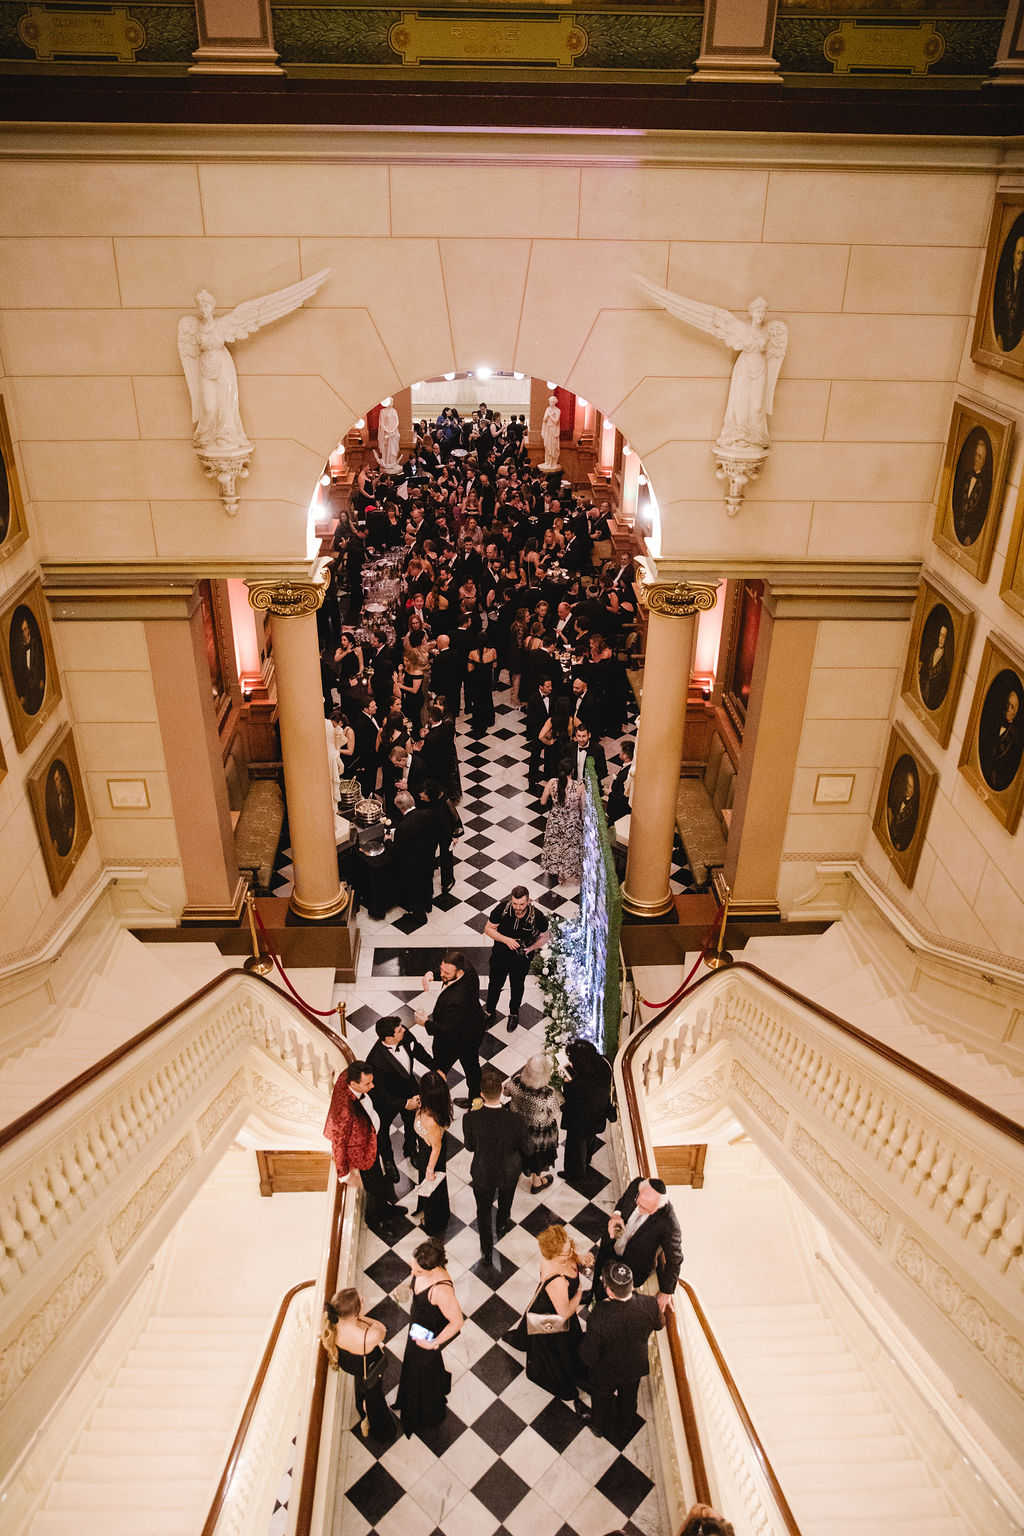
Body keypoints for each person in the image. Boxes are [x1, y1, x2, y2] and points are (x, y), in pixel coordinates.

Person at [581, 1260, 664, 1442]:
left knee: (602, 1398)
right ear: (632, 1284)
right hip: (635, 1364)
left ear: (609, 1290)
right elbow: (659, 1325)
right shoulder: (650, 1304)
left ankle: (598, 1426)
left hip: (607, 1371)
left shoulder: (600, 1314)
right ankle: (625, 1425)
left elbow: (589, 1356)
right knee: (629, 1396)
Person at [395, 1237, 464, 1438]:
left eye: (417, 1272)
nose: (412, 1273)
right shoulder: (422, 1270)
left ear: (432, 1269)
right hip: (417, 1325)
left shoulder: (441, 1290)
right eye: (412, 1268)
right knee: (413, 1364)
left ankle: (427, 1411)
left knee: (423, 1370)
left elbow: (457, 1322)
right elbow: (414, 1279)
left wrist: (433, 1343)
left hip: (428, 1333)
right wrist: (408, 1286)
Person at [323, 1060, 397, 1240]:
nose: (372, 1086)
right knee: (374, 1187)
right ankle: (375, 1221)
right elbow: (338, 1143)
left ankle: (385, 1208)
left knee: (380, 1179)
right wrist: (344, 1174)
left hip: (369, 1137)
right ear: (354, 1084)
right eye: (368, 1083)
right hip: (361, 1151)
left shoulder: (346, 1075)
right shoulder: (344, 1110)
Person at [462, 1064, 529, 1262]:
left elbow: (470, 1147)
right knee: (505, 1201)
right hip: (508, 1171)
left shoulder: (470, 1118)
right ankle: (501, 1225)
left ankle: (487, 1250)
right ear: (502, 1091)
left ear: (481, 1094)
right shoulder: (516, 1120)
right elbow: (528, 1149)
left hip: (483, 1172)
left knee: (483, 1211)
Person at [524, 1225, 592, 1417]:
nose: (571, 1250)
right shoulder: (557, 1280)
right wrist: (578, 1294)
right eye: (566, 1251)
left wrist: (580, 1259)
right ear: (554, 1255)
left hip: (562, 1307)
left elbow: (572, 1258)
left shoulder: (563, 1254)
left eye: (569, 1245)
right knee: (563, 1354)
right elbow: (564, 1313)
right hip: (554, 1318)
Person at [592, 1176, 683, 1312]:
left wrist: (666, 1290)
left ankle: (603, 1315)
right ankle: (592, 1296)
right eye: (638, 1203)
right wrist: (616, 1215)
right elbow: (623, 1201)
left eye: (646, 1209)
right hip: (611, 1248)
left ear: (658, 1207)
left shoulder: (669, 1223)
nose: (639, 1210)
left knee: (615, 1302)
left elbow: (675, 1259)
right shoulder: (637, 1184)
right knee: (599, 1275)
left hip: (632, 1265)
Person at [320, 1287, 396, 1442]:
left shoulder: (333, 1324)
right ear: (354, 1312)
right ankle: (379, 1428)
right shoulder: (368, 1336)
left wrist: (355, 1317)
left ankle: (361, 1408)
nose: (364, 1300)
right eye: (361, 1300)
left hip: (350, 1364)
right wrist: (360, 1318)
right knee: (374, 1397)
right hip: (369, 1366)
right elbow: (381, 1328)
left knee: (361, 1384)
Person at [417, 949, 485, 1104]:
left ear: (459, 973)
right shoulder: (467, 968)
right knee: (472, 1068)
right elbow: (446, 969)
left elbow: (446, 1029)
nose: (443, 974)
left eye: (446, 972)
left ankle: (438, 1102)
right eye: (441, 969)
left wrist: (425, 1023)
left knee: (440, 1071)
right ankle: (475, 1097)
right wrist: (432, 973)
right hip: (472, 1028)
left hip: (458, 1039)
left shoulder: (457, 999)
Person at [367, 1016, 430, 1181]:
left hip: (409, 1089)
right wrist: (404, 1104)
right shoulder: (375, 1060)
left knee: (411, 1122)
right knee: (382, 1131)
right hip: (387, 1101)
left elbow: (418, 1051)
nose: (404, 1030)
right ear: (389, 1038)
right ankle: (388, 1160)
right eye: (399, 1030)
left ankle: (410, 1149)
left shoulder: (405, 1035)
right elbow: (379, 1092)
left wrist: (436, 1068)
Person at [484, 886, 549, 1031]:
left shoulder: (537, 916)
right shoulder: (503, 909)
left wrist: (531, 948)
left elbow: (545, 936)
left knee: (517, 986)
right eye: (515, 903)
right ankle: (489, 1011)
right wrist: (506, 940)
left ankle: (513, 1014)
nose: (518, 908)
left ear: (528, 902)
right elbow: (488, 929)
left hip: (521, 959)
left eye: (521, 904)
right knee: (494, 983)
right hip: (500, 954)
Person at [561, 1037, 613, 1183]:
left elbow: (572, 1098)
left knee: (576, 1148)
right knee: (590, 1140)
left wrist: (567, 1085)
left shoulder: (581, 1083)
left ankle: (576, 1174)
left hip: (580, 1121)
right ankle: (587, 1160)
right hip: (597, 1115)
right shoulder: (604, 1063)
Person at [505, 1054, 560, 1193]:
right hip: (537, 1135)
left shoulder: (516, 1082)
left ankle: (515, 1172)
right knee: (537, 1157)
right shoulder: (547, 1095)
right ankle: (536, 1182)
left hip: (516, 1127)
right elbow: (554, 1113)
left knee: (518, 1151)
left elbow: (505, 1092)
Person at [390, 788, 441, 927]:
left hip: (413, 865)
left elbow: (398, 850)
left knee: (414, 889)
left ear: (400, 807)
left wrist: (389, 840)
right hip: (429, 857)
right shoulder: (429, 814)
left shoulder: (403, 826)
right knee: (427, 881)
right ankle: (428, 904)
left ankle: (419, 916)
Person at [540, 758, 585, 883]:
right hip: (572, 822)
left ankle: (555, 870)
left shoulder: (552, 782)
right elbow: (583, 807)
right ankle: (568, 872)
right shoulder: (579, 786)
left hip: (555, 820)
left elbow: (543, 801)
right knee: (570, 847)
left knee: (555, 846)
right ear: (573, 770)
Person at [951, 431, 992, 547]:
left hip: (970, 538)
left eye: (980, 456)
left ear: (985, 460)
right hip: (955, 530)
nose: (976, 459)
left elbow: (982, 515)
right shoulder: (965, 477)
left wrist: (971, 536)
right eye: (975, 455)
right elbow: (956, 502)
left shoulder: (986, 487)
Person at [9, 608, 46, 716]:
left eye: (25, 629)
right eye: (22, 630)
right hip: (28, 690)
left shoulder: (36, 644)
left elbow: (41, 664)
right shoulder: (20, 650)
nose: (24, 633)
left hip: (38, 686)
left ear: (29, 630)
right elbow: (19, 672)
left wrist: (41, 680)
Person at [606, 740, 635, 825]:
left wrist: (609, 793)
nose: (619, 753)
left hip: (618, 812)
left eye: (620, 751)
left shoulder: (628, 774)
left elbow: (623, 798)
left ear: (625, 755)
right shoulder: (627, 767)